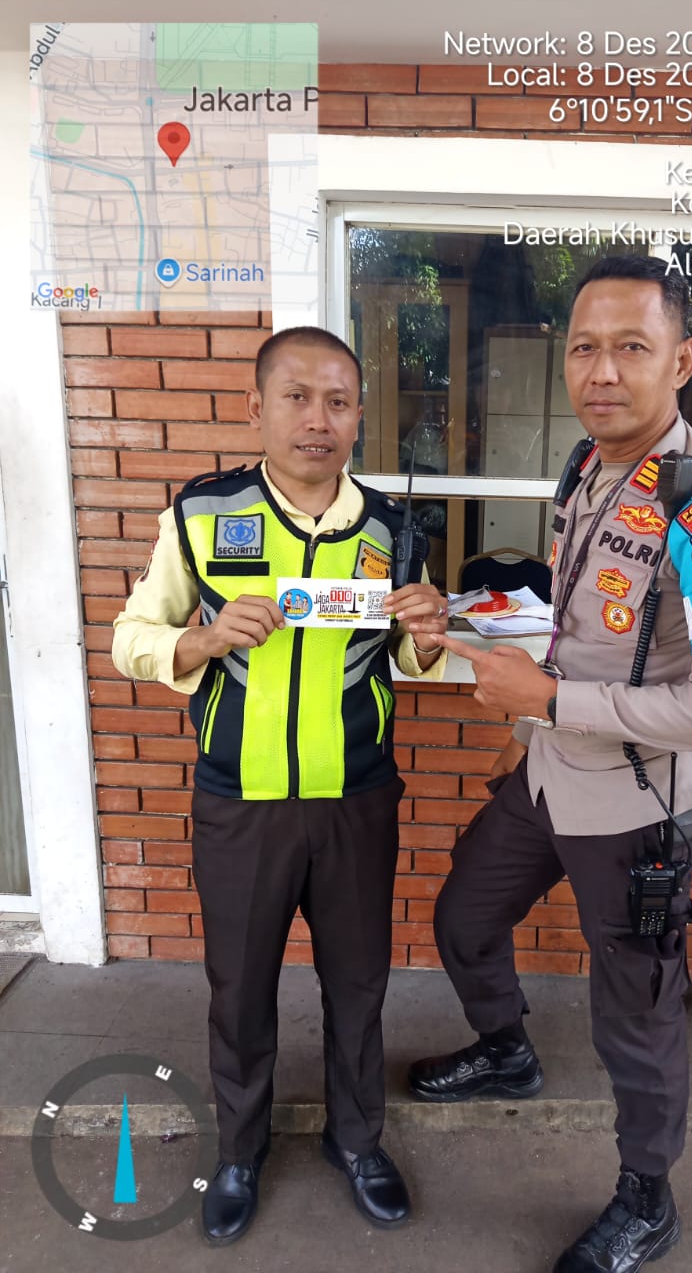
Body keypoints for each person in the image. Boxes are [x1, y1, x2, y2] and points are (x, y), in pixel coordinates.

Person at [408, 256, 692, 1272]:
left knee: (636, 1016)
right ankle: (507, 1049)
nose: (601, 370)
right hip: (549, 768)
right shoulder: (589, 463)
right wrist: (514, 682)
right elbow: (586, 620)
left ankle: (648, 1200)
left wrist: (548, 701)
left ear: (682, 361)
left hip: (642, 806)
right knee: (465, 915)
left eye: (630, 347)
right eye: (583, 346)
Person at [113, 326, 449, 1245]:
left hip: (356, 798)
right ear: (255, 407)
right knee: (240, 989)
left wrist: (430, 630)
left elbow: (412, 657)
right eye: (296, 398)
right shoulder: (202, 512)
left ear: (359, 416)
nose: (317, 420)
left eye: (338, 402)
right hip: (239, 801)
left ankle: (358, 1141)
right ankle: (239, 1151)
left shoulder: (393, 528)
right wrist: (201, 639)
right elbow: (132, 636)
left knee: (359, 984)